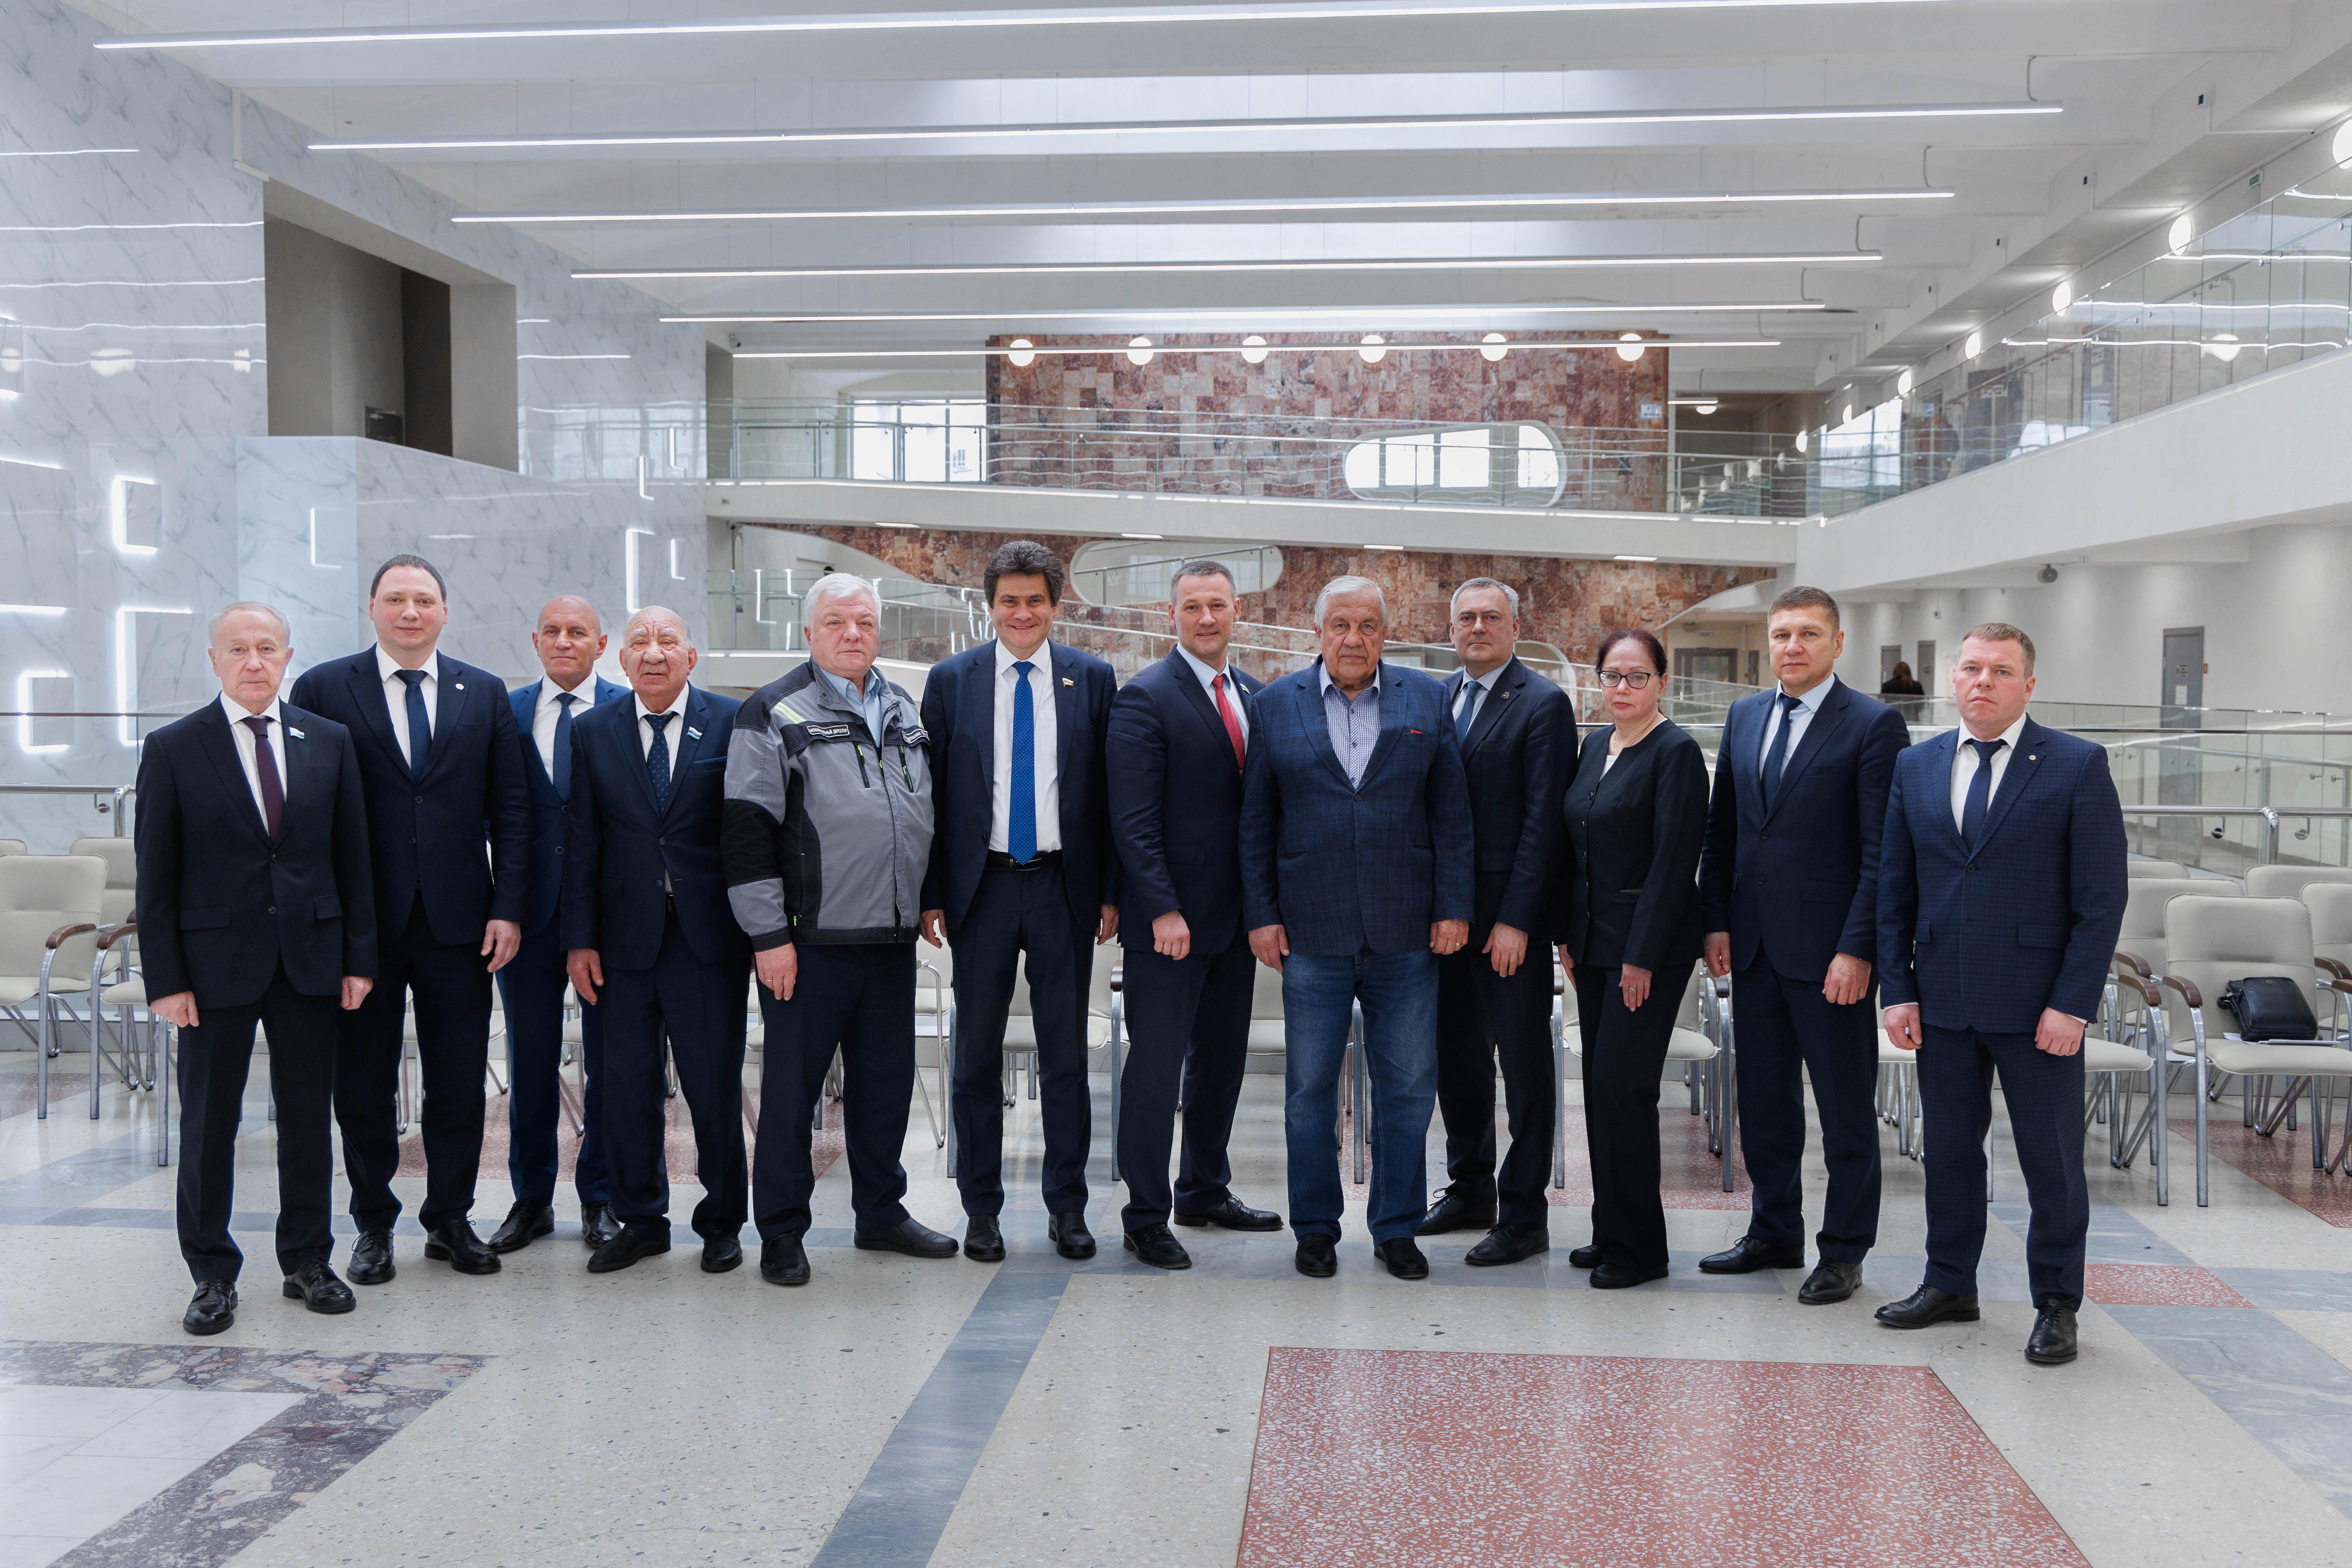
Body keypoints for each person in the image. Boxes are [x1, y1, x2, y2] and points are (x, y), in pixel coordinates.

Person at [1875, 622, 2125, 1366]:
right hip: (1942, 1000)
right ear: (1954, 678)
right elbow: (1895, 888)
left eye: (2001, 671)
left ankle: (2057, 1304)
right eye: (1972, 669)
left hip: (2038, 1007)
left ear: (2028, 684)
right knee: (1951, 1154)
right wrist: (1898, 989)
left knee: (2053, 1163)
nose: (1983, 681)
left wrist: (2072, 1004)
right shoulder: (1915, 765)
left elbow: (2101, 900)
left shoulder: (2076, 765)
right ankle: (1950, 1283)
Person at [136, 603, 377, 1334]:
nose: (253, 661)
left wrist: (358, 958)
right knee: (210, 1122)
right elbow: (157, 876)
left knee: (307, 1119)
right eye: (238, 649)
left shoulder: (328, 740)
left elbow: (354, 860)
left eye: (267, 648)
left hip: (310, 959)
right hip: (212, 967)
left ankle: (308, 1260)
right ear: (214, 660)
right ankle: (212, 1273)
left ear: (287, 657)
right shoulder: (174, 747)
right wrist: (166, 979)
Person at [290, 555, 530, 1283]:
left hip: (461, 924)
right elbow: (306, 816)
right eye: (395, 599)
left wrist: (508, 907)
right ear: (372, 608)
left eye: (424, 599)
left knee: (457, 1081)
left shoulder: (482, 692)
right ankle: (373, 1223)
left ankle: (450, 1219)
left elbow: (511, 808)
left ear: (444, 611)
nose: (410, 612)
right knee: (363, 1084)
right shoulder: (324, 688)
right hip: (362, 925)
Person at [725, 573, 960, 1285]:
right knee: (792, 1096)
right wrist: (769, 938)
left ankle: (881, 1214)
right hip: (808, 945)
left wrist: (926, 899)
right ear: (809, 633)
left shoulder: (903, 707)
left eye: (864, 622)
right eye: (836, 622)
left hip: (890, 941)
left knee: (884, 1089)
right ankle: (782, 1232)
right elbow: (745, 833)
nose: (852, 634)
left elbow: (923, 814)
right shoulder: (773, 711)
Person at [1238, 576, 1473, 1281]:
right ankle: (1315, 1228)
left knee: (1407, 1090)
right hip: (1311, 933)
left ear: (1384, 634)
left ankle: (1396, 1229)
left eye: (1367, 625)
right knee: (1309, 1094)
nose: (1353, 638)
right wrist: (1262, 915)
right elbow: (1256, 824)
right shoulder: (1274, 705)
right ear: (1318, 632)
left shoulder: (1427, 700)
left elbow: (1452, 816)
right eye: (1340, 625)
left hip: (1407, 932)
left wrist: (1454, 907)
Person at [1698, 586, 1909, 1304]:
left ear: (1837, 643)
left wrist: (1858, 949)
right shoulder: (1746, 715)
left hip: (1832, 958)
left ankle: (1844, 1251)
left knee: (1845, 1111)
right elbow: (1725, 829)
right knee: (1765, 1103)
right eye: (1783, 633)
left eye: (1809, 634)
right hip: (1755, 947)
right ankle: (1774, 1230)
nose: (1793, 646)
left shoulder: (1873, 725)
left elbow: (1883, 853)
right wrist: (1716, 919)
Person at [920, 541, 1120, 1263]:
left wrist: (1110, 892)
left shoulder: (1092, 679)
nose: (1023, 613)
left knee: (1066, 1056)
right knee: (974, 1056)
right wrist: (933, 894)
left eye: (1036, 600)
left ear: (1056, 606)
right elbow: (932, 796)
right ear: (991, 606)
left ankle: (1069, 1208)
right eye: (1010, 601)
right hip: (984, 888)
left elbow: (1109, 794)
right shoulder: (952, 681)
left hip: (1065, 887)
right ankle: (982, 1210)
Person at [561, 607, 751, 1274]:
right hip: (621, 943)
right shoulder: (592, 731)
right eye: (639, 641)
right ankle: (642, 1220)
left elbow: (749, 832)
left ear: (691, 658)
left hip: (708, 939)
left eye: (668, 641)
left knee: (713, 1086)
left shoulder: (732, 722)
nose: (653, 652)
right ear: (621, 660)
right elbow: (582, 840)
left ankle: (722, 1222)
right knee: (626, 1087)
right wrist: (579, 940)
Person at [1105, 559, 1283, 1270]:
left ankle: (1204, 1190)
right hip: (1170, 928)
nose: (1206, 618)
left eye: (1218, 605)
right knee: (1154, 1072)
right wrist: (1163, 909)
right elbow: (1133, 821)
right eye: (1192, 607)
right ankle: (1145, 1216)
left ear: (1237, 612)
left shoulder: (1255, 695)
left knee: (1221, 1065)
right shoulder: (1144, 698)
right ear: (1170, 616)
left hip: (1238, 923)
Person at [1417, 579, 1573, 1267]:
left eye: (1491, 617)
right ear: (1450, 630)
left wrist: (1517, 921)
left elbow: (1545, 825)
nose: (1478, 628)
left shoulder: (1543, 703)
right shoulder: (1437, 697)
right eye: (1467, 618)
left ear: (1516, 628)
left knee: (1525, 1070)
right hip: (1444, 922)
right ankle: (1470, 1190)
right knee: (1459, 1062)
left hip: (1509, 926)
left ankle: (1525, 1215)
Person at [1551, 627, 1707, 1289]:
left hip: (1647, 953)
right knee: (1601, 1089)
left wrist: (1640, 960)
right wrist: (1567, 935)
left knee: (1626, 1088)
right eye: (1612, 676)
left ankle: (1642, 1249)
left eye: (1637, 676)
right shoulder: (1595, 745)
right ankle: (1610, 1229)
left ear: (1662, 683)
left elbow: (1673, 866)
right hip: (1593, 945)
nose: (1623, 688)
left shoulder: (1677, 753)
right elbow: (1576, 850)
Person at [490, 595, 629, 1256]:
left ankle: (600, 1196)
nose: (565, 641)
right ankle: (531, 1199)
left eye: (579, 632)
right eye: (553, 631)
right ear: (536, 640)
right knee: (531, 1060)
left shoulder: (628, 709)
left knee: (609, 1064)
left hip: (608, 919)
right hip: (528, 916)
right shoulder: (505, 712)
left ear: (601, 645)